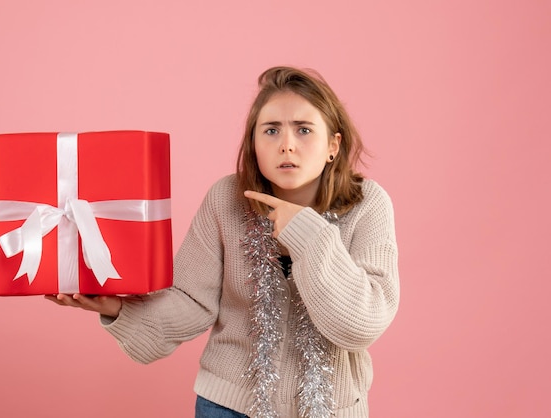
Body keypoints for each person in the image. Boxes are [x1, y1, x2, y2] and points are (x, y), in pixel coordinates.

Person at [46, 66, 399, 418]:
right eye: (271, 130)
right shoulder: (226, 199)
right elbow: (192, 301)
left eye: (304, 130)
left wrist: (308, 234)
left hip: (332, 410)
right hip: (228, 407)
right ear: (254, 144)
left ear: (332, 146)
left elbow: (362, 324)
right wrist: (116, 308)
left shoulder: (367, 204)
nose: (287, 144)